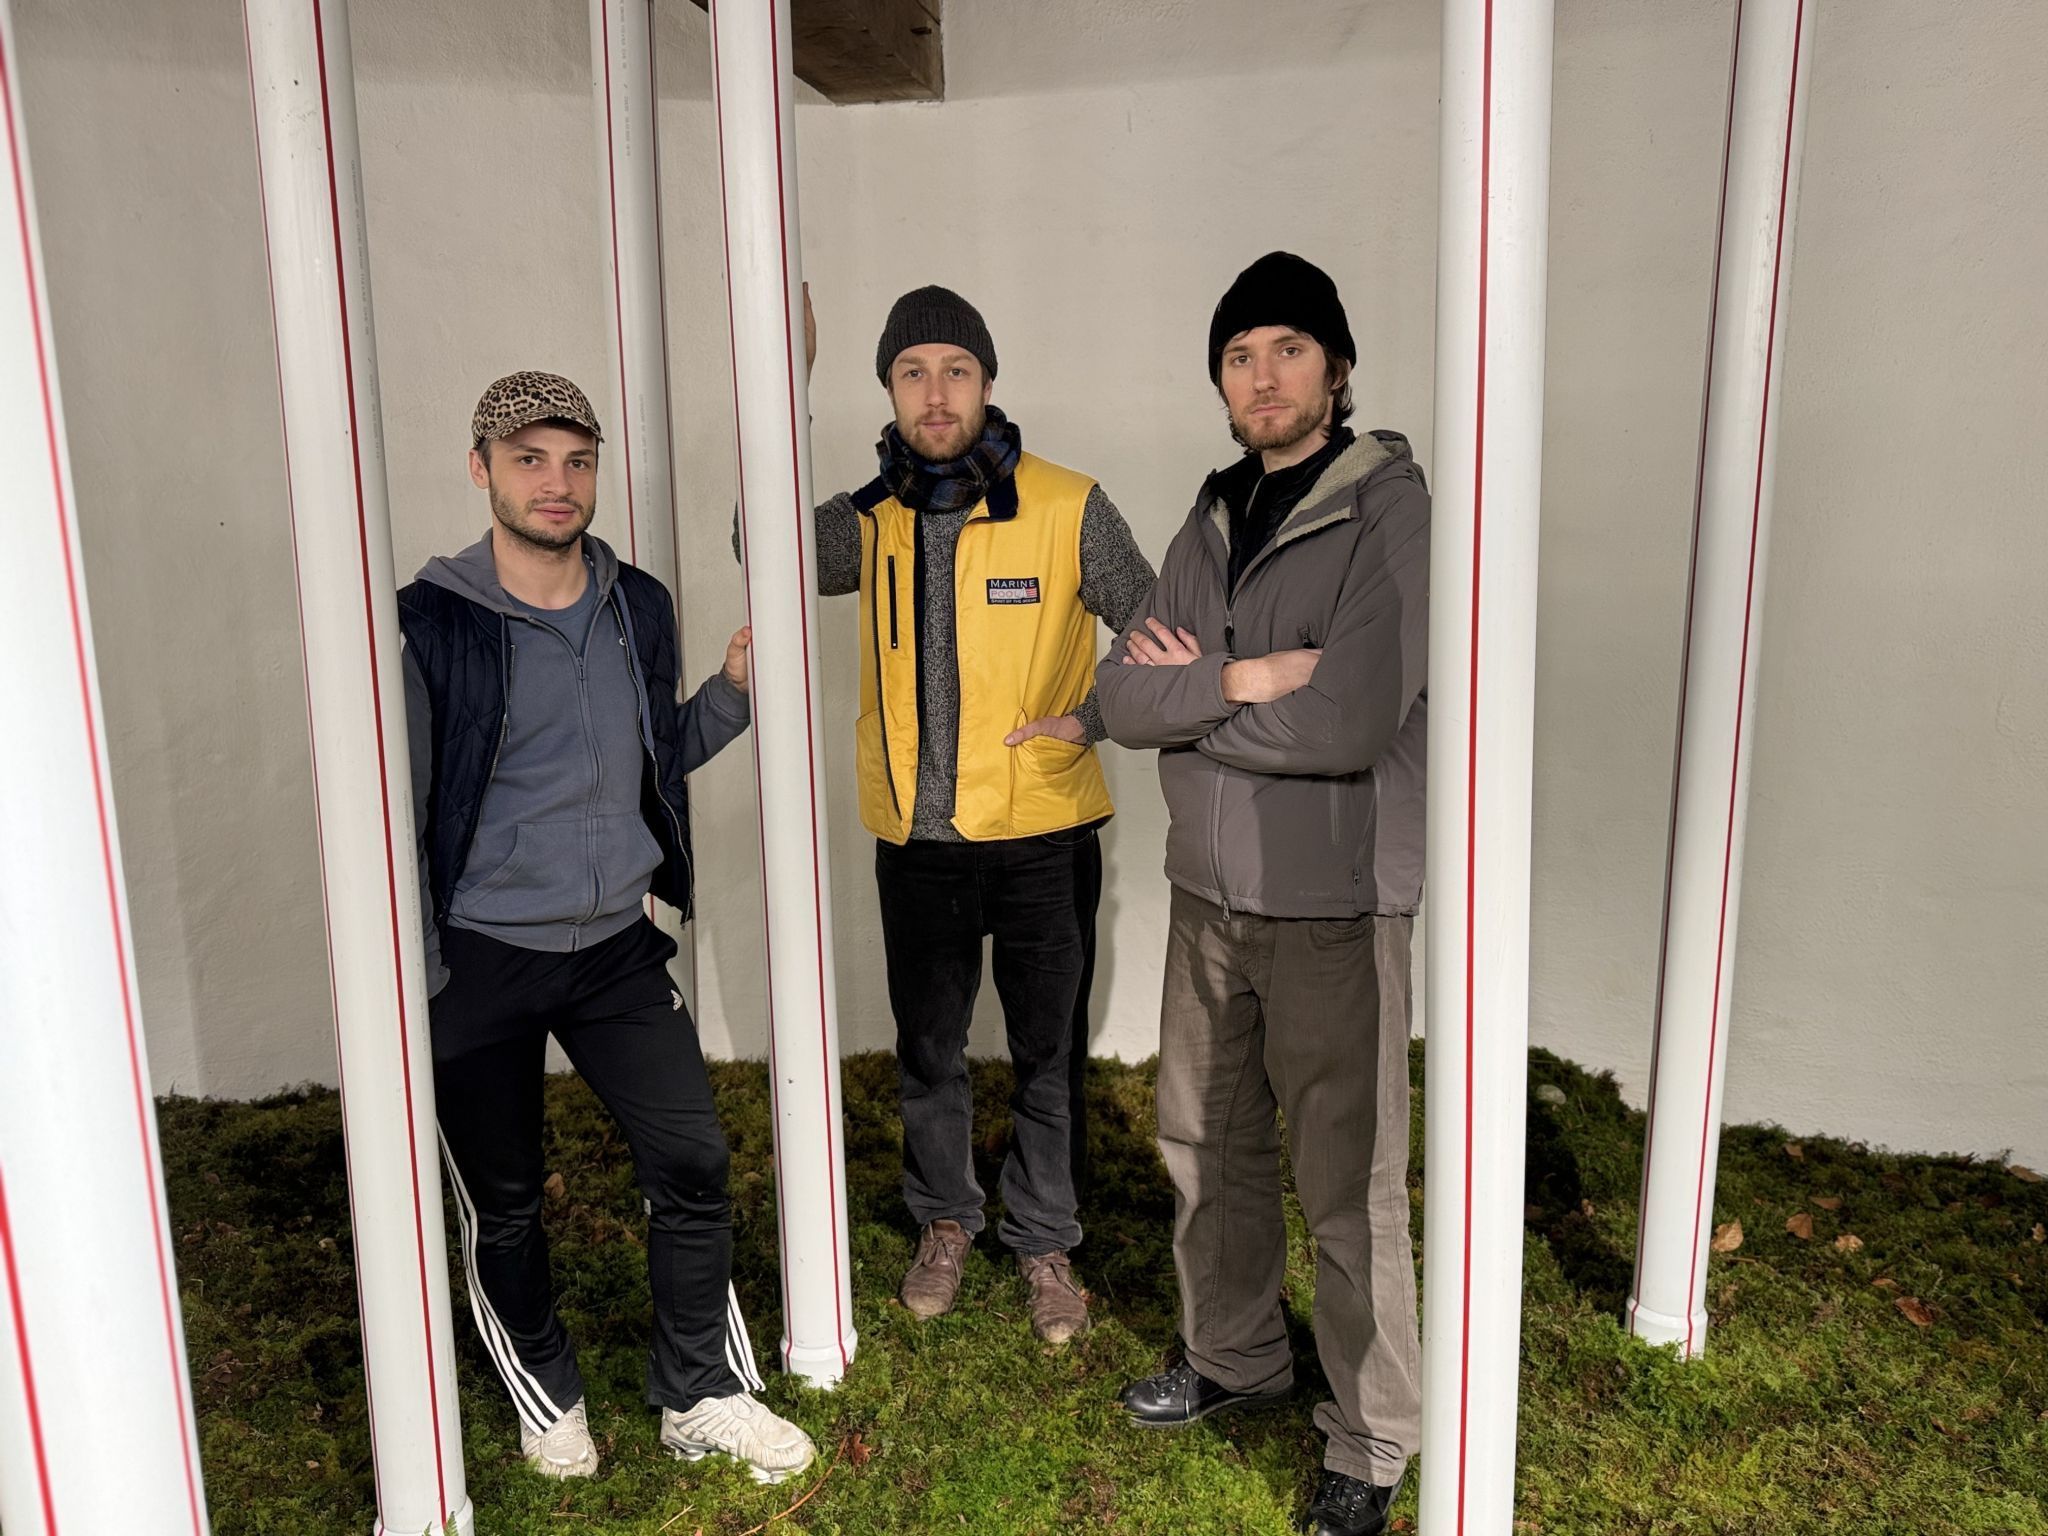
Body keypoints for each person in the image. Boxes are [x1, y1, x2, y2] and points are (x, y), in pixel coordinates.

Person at [399, 371, 814, 1485]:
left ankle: (698, 1395)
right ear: (481, 468)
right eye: (529, 459)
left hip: (613, 948)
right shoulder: (431, 619)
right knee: (507, 1202)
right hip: (478, 956)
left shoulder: (636, 605)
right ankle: (548, 1395)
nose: (557, 482)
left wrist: (725, 694)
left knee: (691, 1162)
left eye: (576, 460)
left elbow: (650, 761)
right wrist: (421, 970)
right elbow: (400, 797)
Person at [1094, 253, 1430, 1536]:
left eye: (1287, 349)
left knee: (1346, 1184)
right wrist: (1238, 681)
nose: (1262, 375)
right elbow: (1125, 697)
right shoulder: (1207, 519)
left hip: (1333, 906)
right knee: (1204, 1145)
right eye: (1240, 356)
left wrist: (1189, 706)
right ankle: (1235, 1356)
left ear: (1334, 369)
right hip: (1206, 900)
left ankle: (1371, 1433)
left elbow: (1348, 719)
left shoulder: (1386, 508)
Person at [778, 286, 1155, 1343]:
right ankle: (944, 1218)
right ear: (889, 392)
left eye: (954, 371)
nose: (934, 393)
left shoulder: (1067, 504)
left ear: (987, 384)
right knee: (931, 1050)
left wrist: (1094, 715)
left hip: (1041, 836)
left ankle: (1042, 1238)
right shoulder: (869, 520)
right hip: (920, 843)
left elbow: (1159, 618)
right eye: (911, 373)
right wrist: (781, 385)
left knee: (1046, 1050)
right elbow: (761, 545)